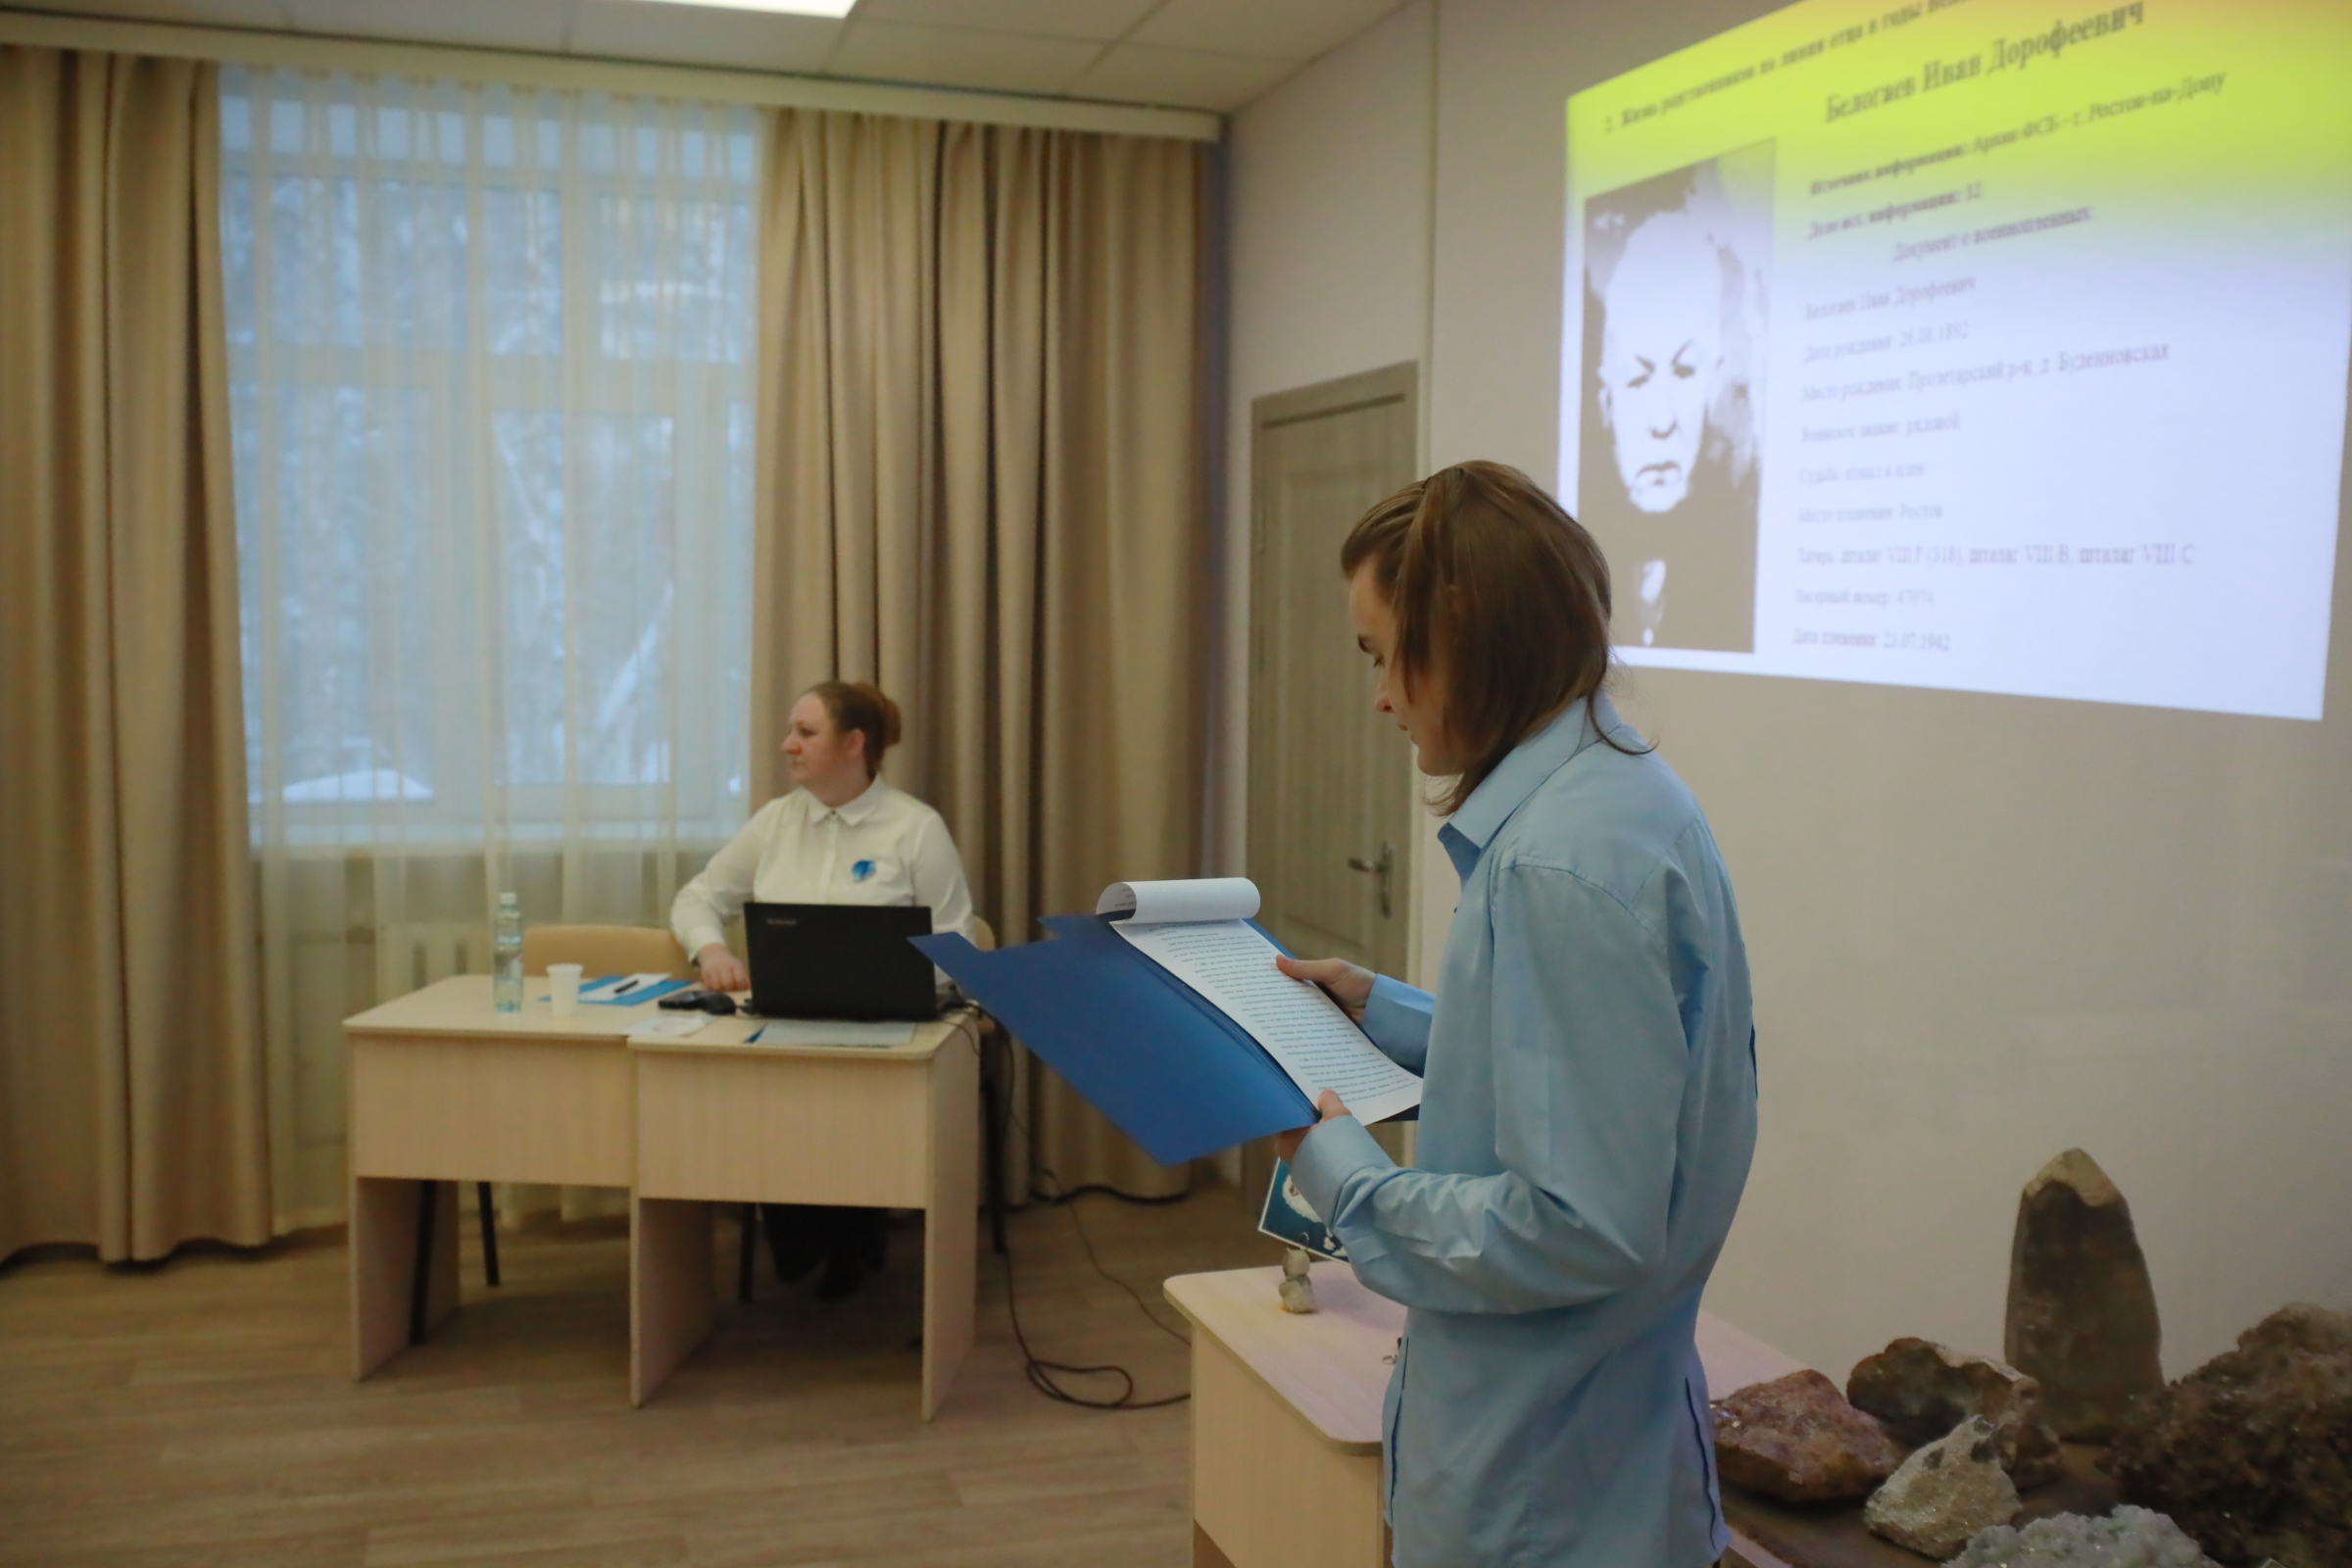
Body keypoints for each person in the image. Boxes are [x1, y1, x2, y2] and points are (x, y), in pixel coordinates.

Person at [1271, 463, 1757, 1568]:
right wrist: (1386, 1013)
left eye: (1381, 655)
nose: (1381, 697)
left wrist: (1345, 1176)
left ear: (1464, 634)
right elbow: (1601, 1079)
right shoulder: (1623, 797)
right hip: (1602, 1452)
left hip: (1542, 1488)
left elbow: (1578, 1225)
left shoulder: (1554, 864)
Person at [671, 679, 977, 1299]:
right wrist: (712, 951)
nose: (788, 744)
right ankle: (817, 1237)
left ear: (853, 744)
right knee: (767, 1099)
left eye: (805, 733)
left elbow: (956, 943)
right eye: (791, 731)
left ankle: (851, 1235)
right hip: (785, 1022)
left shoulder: (915, 828)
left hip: (886, 1027)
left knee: (852, 1103)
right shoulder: (776, 822)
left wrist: (895, 984)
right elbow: (698, 898)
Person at [1587, 207, 1760, 652]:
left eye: (1684, 372)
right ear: (1607, 401)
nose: (1662, 422)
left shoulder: (1743, 564)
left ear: (1712, 383)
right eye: (1637, 379)